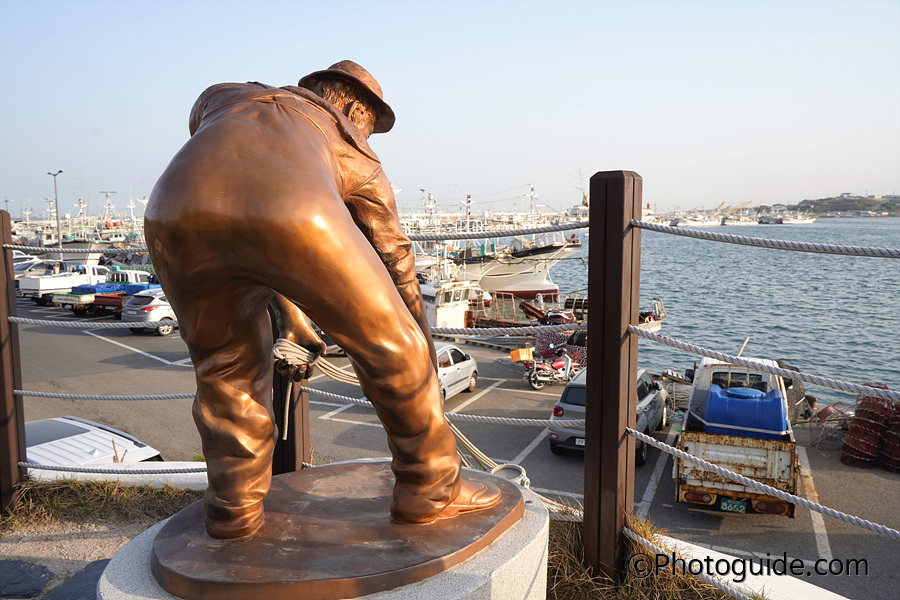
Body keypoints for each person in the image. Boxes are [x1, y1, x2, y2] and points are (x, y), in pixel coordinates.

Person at [145, 61, 500, 539]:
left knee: (224, 368)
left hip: (173, 209)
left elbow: (231, 169)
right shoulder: (353, 147)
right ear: (355, 108)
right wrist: (417, 340)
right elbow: (395, 256)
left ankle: (233, 510)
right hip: (293, 211)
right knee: (396, 350)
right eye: (370, 127)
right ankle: (431, 488)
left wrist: (288, 310)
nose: (368, 136)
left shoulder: (223, 93)